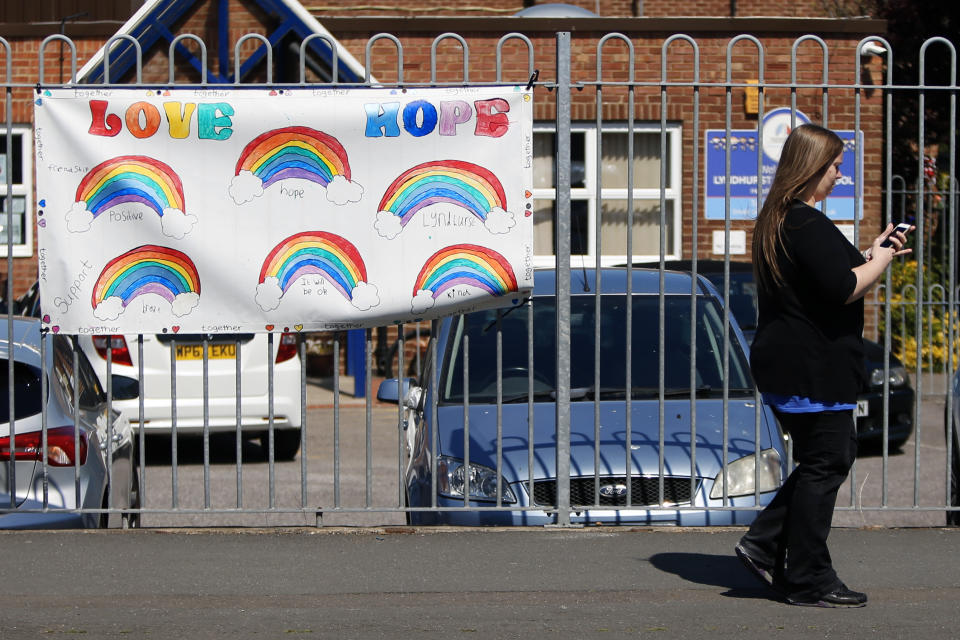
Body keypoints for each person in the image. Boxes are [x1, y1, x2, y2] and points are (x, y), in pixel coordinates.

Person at [735, 123, 913, 607]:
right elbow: (844, 287)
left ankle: (767, 544)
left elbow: (831, 275)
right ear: (811, 167)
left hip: (795, 363)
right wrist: (886, 257)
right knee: (827, 461)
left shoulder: (782, 219)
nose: (838, 174)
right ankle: (807, 574)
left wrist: (872, 253)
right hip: (810, 366)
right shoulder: (803, 221)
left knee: (823, 460)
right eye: (834, 165)